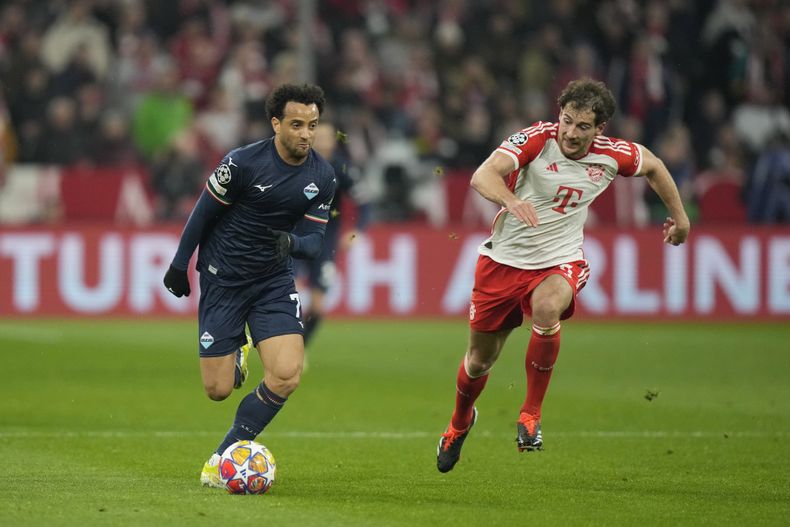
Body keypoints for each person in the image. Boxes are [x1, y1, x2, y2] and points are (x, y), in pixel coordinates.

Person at [436, 78, 690, 473]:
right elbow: (482, 176)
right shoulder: (536, 140)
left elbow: (654, 166)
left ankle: (530, 415)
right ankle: (459, 423)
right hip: (503, 262)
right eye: (566, 121)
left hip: (560, 260)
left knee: (548, 307)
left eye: (582, 126)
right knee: (478, 362)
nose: (570, 133)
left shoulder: (612, 155)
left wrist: (682, 218)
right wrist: (512, 199)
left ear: (600, 129)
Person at [162, 83, 336, 487]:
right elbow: (202, 213)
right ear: (276, 123)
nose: (306, 134)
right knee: (217, 390)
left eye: (312, 125)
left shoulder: (322, 176)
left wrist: (290, 243)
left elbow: (314, 242)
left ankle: (223, 454)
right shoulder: (242, 163)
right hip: (223, 279)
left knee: (287, 374)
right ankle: (239, 348)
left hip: (273, 281)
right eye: (296, 124)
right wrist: (178, 264)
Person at [296, 121, 370, 346]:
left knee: (318, 305)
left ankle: (301, 347)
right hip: (293, 239)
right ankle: (283, 345)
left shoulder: (342, 168)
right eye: (319, 137)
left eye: (327, 138)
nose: (323, 142)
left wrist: (356, 232)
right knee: (289, 297)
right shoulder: (295, 164)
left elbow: (365, 203)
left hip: (324, 242)